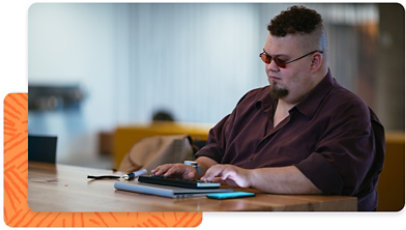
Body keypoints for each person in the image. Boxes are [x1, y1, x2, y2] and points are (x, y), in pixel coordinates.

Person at [152, 5, 384, 211]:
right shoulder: (252, 102)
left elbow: (325, 178)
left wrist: (249, 176)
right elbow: (214, 151)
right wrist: (198, 170)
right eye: (266, 57)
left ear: (315, 62)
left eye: (282, 61)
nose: (271, 68)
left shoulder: (348, 111)